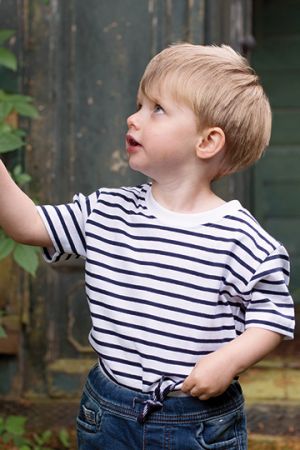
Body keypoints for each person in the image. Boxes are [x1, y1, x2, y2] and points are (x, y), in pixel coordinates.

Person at [0, 43, 295, 450]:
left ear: (207, 142)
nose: (133, 117)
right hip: (108, 411)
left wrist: (228, 361)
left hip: (197, 422)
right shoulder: (106, 211)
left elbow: (274, 317)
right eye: (139, 104)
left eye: (156, 108)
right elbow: (28, 224)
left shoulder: (240, 239)